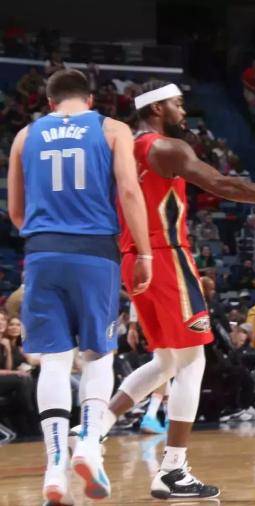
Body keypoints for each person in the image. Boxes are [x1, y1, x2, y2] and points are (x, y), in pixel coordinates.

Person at [85, 80, 255, 501]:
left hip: (133, 257)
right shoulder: (166, 148)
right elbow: (224, 184)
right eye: (178, 104)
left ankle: (95, 429)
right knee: (192, 360)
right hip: (165, 255)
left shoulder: (123, 150)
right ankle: (172, 469)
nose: (184, 112)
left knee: (167, 361)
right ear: (158, 108)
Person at [7, 69, 153, 504]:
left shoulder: (25, 135)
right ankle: (88, 442)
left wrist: (47, 235)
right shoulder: (112, 128)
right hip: (95, 252)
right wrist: (143, 253)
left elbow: (15, 211)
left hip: (42, 252)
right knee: (98, 354)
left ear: (50, 103)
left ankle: (54, 467)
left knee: (53, 361)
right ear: (90, 100)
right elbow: (129, 192)